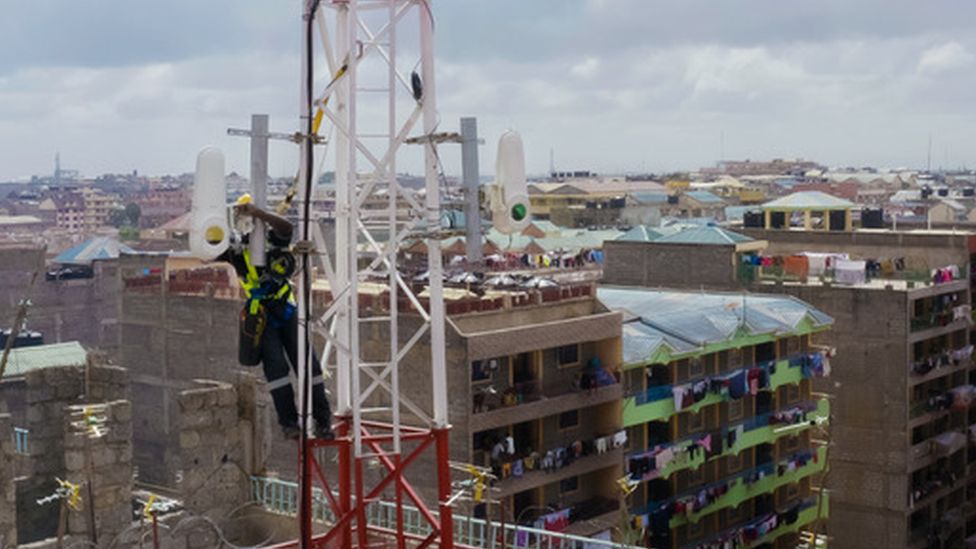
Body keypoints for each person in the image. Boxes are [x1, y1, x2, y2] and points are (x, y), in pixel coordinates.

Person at [218, 195, 333, 440]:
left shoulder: (273, 241)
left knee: (308, 367)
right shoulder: (237, 251)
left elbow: (286, 228)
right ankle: (289, 423)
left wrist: (259, 213)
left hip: (286, 309)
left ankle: (322, 421)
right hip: (262, 316)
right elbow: (208, 250)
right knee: (276, 370)